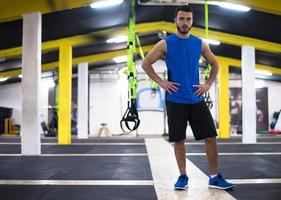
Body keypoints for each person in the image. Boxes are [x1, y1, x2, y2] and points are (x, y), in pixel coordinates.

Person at [142, 5, 234, 190]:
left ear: (192, 21)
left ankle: (214, 177)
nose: (185, 23)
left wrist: (208, 84)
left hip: (196, 99)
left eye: (188, 19)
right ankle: (183, 176)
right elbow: (146, 64)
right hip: (175, 100)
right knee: (179, 140)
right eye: (182, 19)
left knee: (211, 136)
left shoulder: (200, 43)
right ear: (175, 20)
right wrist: (161, 82)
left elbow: (215, 64)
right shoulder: (165, 44)